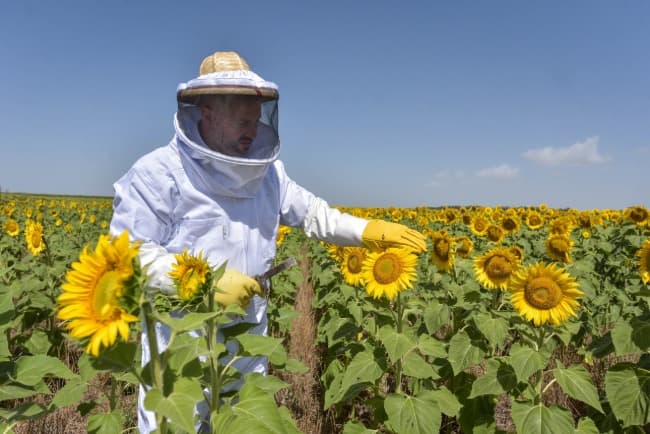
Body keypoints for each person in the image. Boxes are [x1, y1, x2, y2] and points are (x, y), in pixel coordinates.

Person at [109, 50, 427, 432]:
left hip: (247, 339)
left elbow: (313, 215)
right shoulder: (157, 174)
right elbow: (128, 255)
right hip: (183, 344)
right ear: (207, 112)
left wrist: (366, 231)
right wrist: (203, 282)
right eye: (242, 120)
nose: (253, 130)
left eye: (256, 120)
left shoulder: (268, 174)